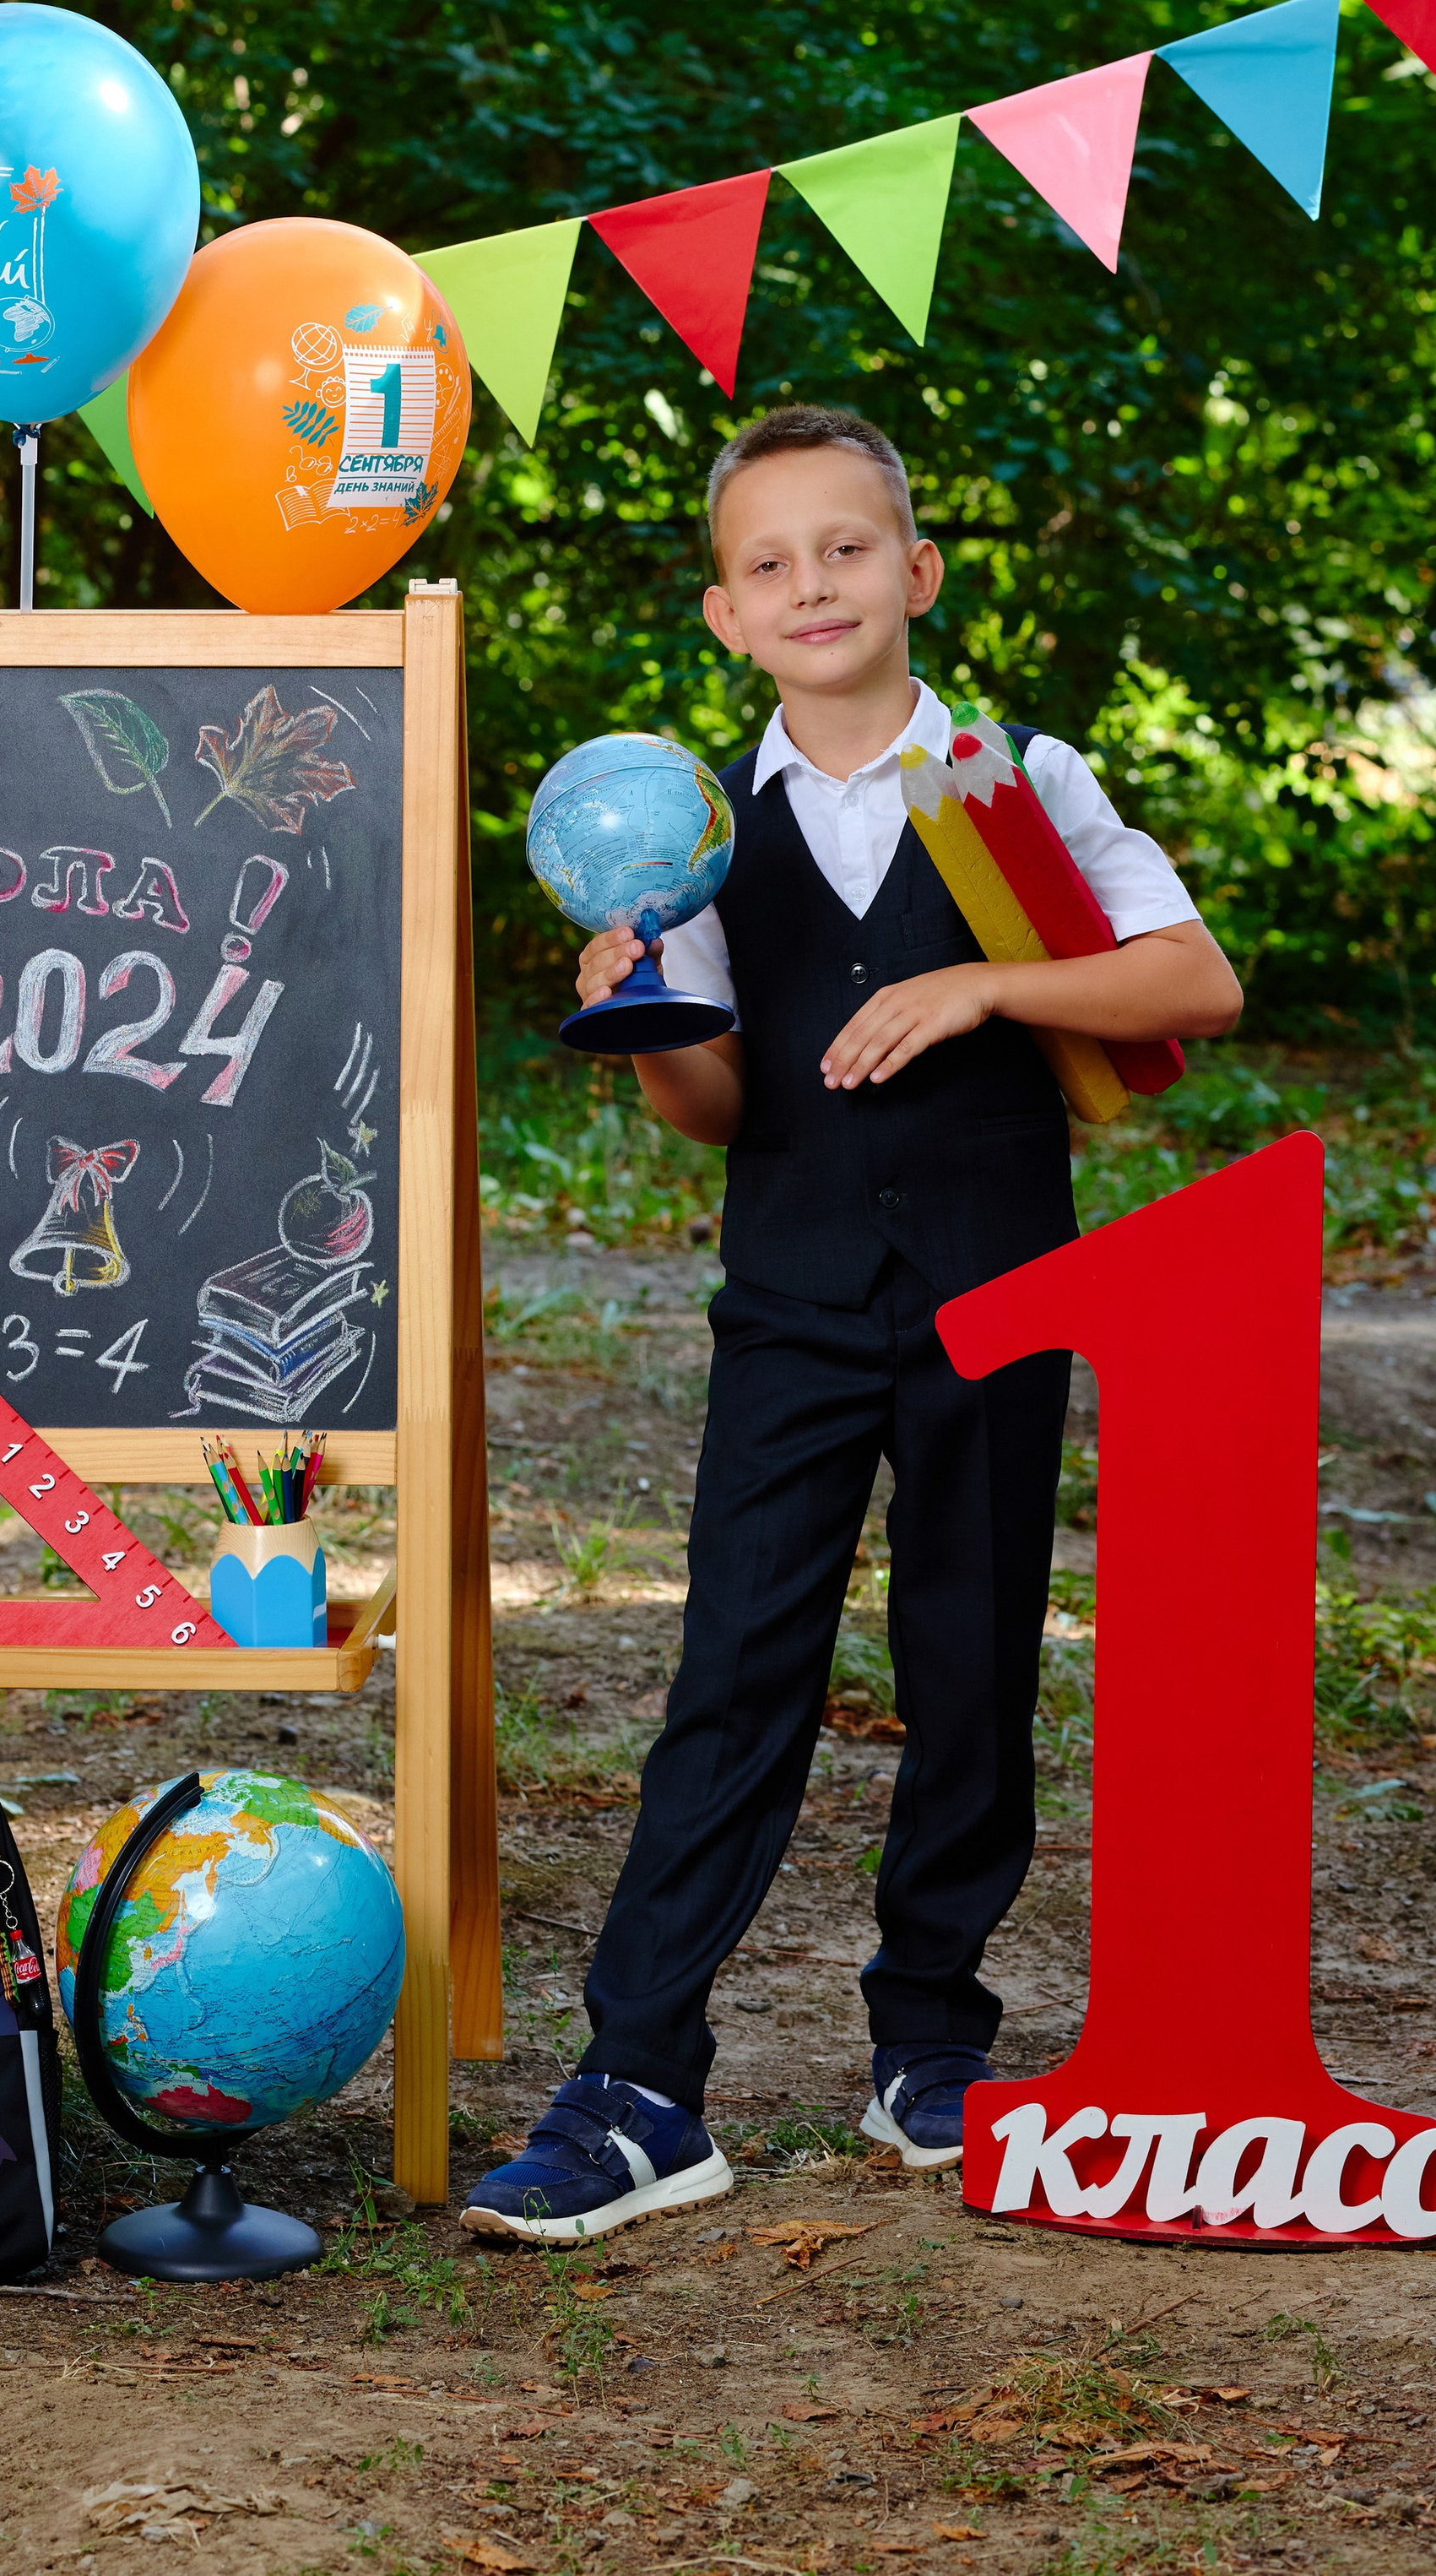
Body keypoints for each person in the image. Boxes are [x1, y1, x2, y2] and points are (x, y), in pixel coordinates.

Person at [463, 403, 1243, 2245]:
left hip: (994, 1287)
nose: (809, 581)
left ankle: (930, 2045)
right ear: (723, 616)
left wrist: (981, 982)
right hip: (794, 1307)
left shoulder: (1007, 777)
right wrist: (641, 1013)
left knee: (965, 1657)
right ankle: (641, 2082)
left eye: (842, 546)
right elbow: (718, 1107)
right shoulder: (690, 832)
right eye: (766, 562)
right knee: (734, 1669)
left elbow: (1189, 979)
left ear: (915, 571)